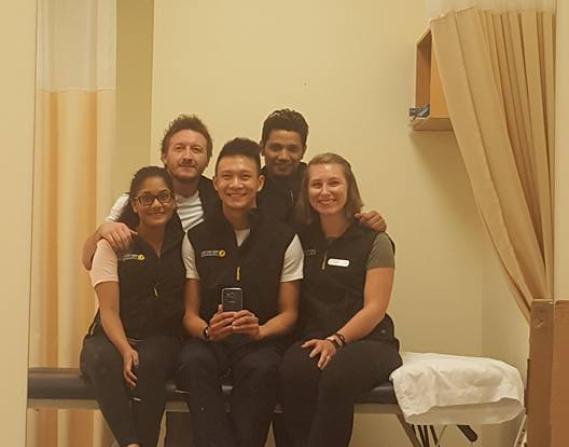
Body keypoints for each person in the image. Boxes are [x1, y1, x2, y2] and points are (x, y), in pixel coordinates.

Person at [176, 138, 304, 447]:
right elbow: (189, 315)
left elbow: (290, 313)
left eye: (245, 177)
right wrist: (207, 331)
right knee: (192, 362)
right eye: (227, 177)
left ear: (259, 182)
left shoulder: (284, 238)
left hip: (261, 342)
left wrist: (260, 331)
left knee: (262, 369)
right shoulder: (196, 237)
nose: (236, 184)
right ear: (216, 183)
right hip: (210, 342)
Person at [280, 153, 402, 447]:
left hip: (370, 342)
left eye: (334, 183)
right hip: (314, 338)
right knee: (293, 371)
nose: (325, 192)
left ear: (349, 188)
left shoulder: (375, 240)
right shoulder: (300, 240)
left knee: (337, 377)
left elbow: (375, 308)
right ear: (306, 192)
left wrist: (336, 341)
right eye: (316, 184)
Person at [80, 166, 185, 447]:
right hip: (110, 336)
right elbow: (108, 311)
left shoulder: (185, 246)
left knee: (147, 363)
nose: (157, 204)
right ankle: (130, 443)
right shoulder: (112, 245)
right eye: (146, 198)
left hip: (160, 338)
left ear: (173, 201)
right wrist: (125, 348)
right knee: (104, 360)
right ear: (134, 205)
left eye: (164, 196)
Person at [81, 114, 218, 270]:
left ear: (208, 160)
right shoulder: (131, 201)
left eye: (196, 149)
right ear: (164, 156)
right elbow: (87, 261)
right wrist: (101, 232)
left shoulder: (219, 201)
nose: (187, 156)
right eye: (179, 148)